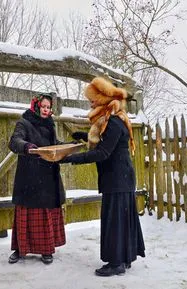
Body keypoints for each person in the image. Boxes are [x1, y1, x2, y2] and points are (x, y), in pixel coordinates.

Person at [59, 77, 145, 276]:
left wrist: (71, 159)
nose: (90, 102)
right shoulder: (114, 118)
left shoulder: (114, 122)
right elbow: (106, 144)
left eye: (93, 99)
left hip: (117, 179)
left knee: (115, 221)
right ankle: (124, 258)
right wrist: (84, 136)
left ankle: (116, 263)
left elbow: (103, 153)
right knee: (122, 220)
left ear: (103, 98)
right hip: (119, 178)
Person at [8, 93, 66, 265]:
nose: (46, 110)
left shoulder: (50, 124)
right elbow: (14, 141)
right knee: (26, 214)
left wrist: (68, 146)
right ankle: (20, 249)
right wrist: (26, 146)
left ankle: (46, 250)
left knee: (45, 214)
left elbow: (54, 143)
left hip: (48, 177)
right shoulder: (24, 122)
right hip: (29, 177)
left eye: (48, 107)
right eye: (43, 107)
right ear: (36, 106)